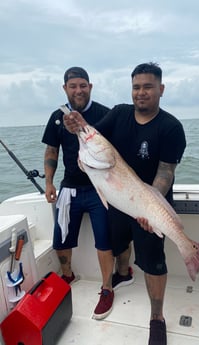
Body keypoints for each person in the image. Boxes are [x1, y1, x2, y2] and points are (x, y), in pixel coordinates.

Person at [64, 62, 186, 345]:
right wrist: (77, 127)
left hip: (150, 204)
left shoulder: (171, 127)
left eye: (148, 87)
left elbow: (166, 173)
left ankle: (157, 318)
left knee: (153, 263)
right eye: (136, 87)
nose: (141, 93)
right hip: (117, 201)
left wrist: (148, 208)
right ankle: (121, 273)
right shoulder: (119, 114)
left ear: (161, 89)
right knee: (119, 244)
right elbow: (93, 134)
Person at [42, 67, 115, 320]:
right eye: (73, 86)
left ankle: (107, 288)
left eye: (83, 85)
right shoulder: (57, 117)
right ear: (65, 88)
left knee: (105, 240)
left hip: (100, 189)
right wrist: (49, 183)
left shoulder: (105, 114)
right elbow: (52, 151)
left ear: (90, 87)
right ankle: (67, 276)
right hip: (69, 187)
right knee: (61, 241)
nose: (78, 90)